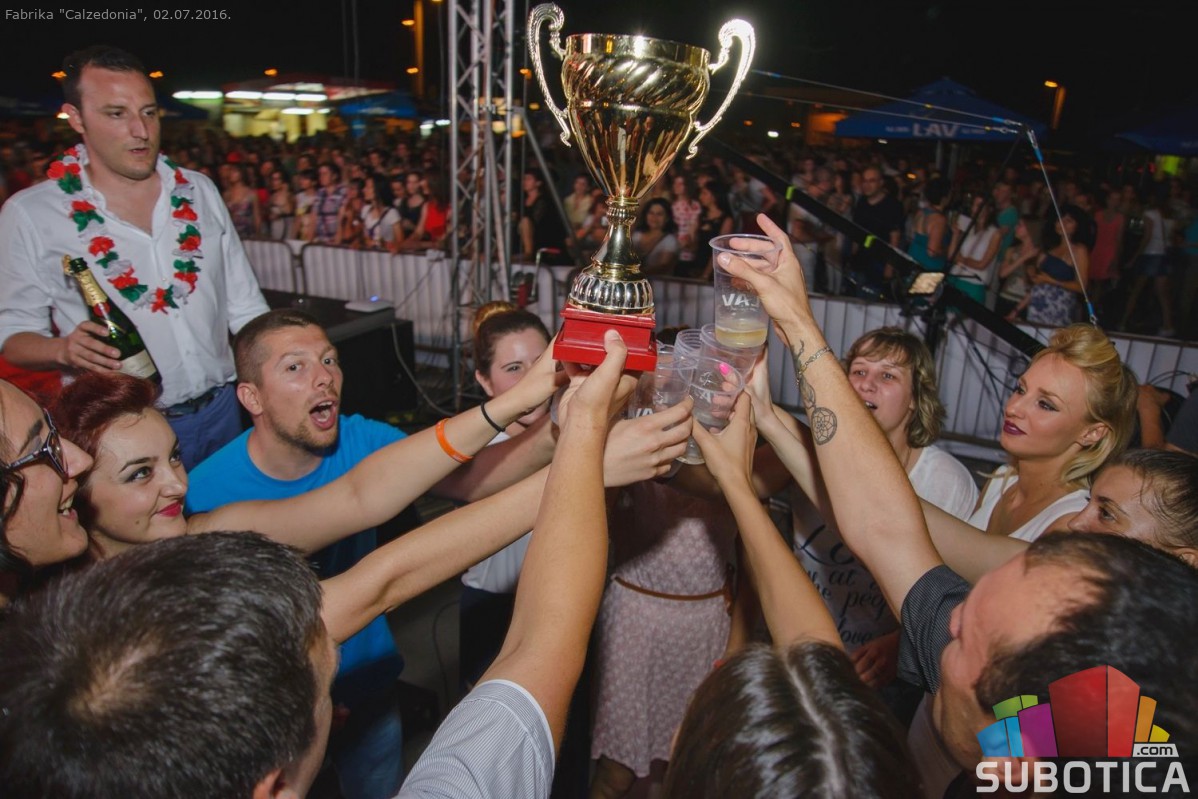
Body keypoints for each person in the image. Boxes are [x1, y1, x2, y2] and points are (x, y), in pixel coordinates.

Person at [0, 329, 640, 799]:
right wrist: (582, 466)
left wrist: (519, 405)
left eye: (173, 458)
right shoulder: (66, 637)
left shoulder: (198, 533)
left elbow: (362, 498)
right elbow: (377, 587)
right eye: (139, 474)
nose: (176, 483)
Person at [717, 213, 1197, 796]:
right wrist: (780, 381)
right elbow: (886, 524)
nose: (1078, 521)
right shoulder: (1005, 518)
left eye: (1108, 515)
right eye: (1021, 389)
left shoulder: (1106, 735)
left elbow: (891, 524)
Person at [0, 46, 269, 470]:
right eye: (116, 113)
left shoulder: (198, 190)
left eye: (148, 112)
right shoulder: (31, 213)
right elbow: (13, 335)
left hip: (225, 412)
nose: (140, 131)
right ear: (76, 118)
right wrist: (63, 350)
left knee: (235, 514)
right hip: (122, 429)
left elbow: (246, 305)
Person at [631, 197, 680, 275]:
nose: (654, 217)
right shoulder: (637, 235)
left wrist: (639, 272)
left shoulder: (670, 240)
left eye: (659, 214)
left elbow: (663, 267)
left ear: (667, 218)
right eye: (651, 213)